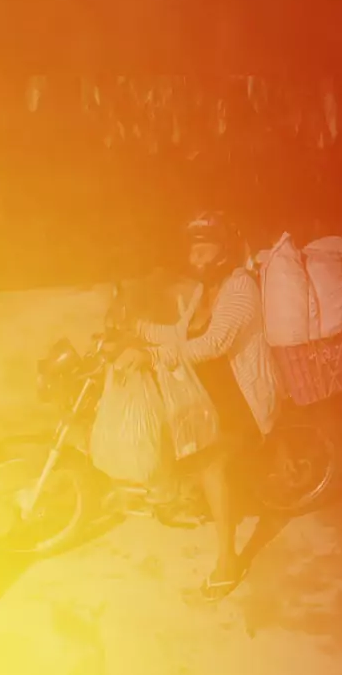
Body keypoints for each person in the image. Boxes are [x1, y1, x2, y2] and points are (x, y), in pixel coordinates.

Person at [114, 211, 282, 600]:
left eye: (205, 249)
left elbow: (212, 344)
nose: (197, 257)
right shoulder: (204, 290)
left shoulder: (240, 288)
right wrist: (136, 331)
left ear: (224, 250)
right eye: (193, 250)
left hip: (241, 397)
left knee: (212, 465)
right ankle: (186, 496)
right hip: (207, 391)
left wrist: (151, 356)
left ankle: (228, 560)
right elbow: (182, 333)